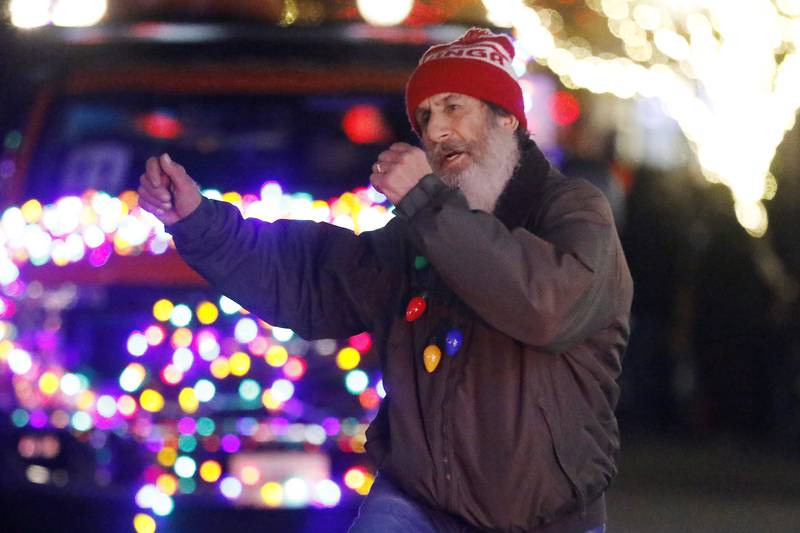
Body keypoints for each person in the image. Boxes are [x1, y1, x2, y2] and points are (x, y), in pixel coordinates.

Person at [138, 28, 632, 533]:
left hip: (546, 520)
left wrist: (426, 201)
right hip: (419, 506)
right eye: (424, 117)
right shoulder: (423, 228)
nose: (436, 130)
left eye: (453, 107)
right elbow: (314, 279)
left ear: (506, 117)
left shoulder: (573, 210)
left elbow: (547, 306)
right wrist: (197, 221)